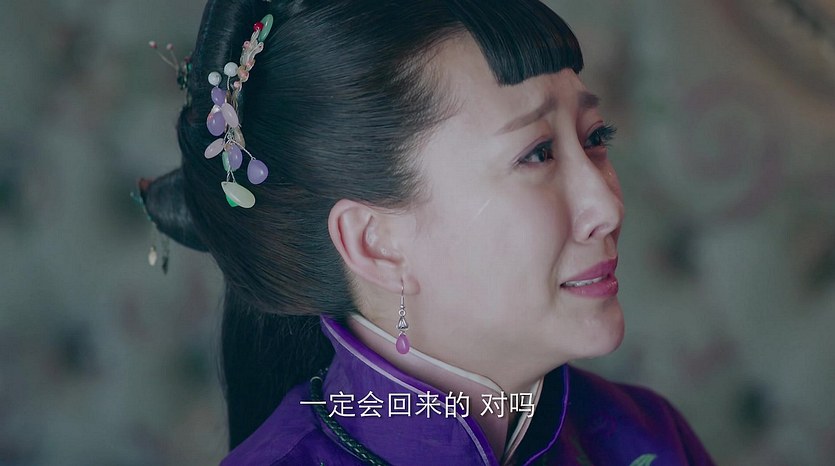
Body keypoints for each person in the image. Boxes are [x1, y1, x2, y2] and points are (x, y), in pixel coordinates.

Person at [140, 0, 715, 464]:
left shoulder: (649, 436)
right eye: (538, 153)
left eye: (595, 138)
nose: (606, 207)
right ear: (376, 244)